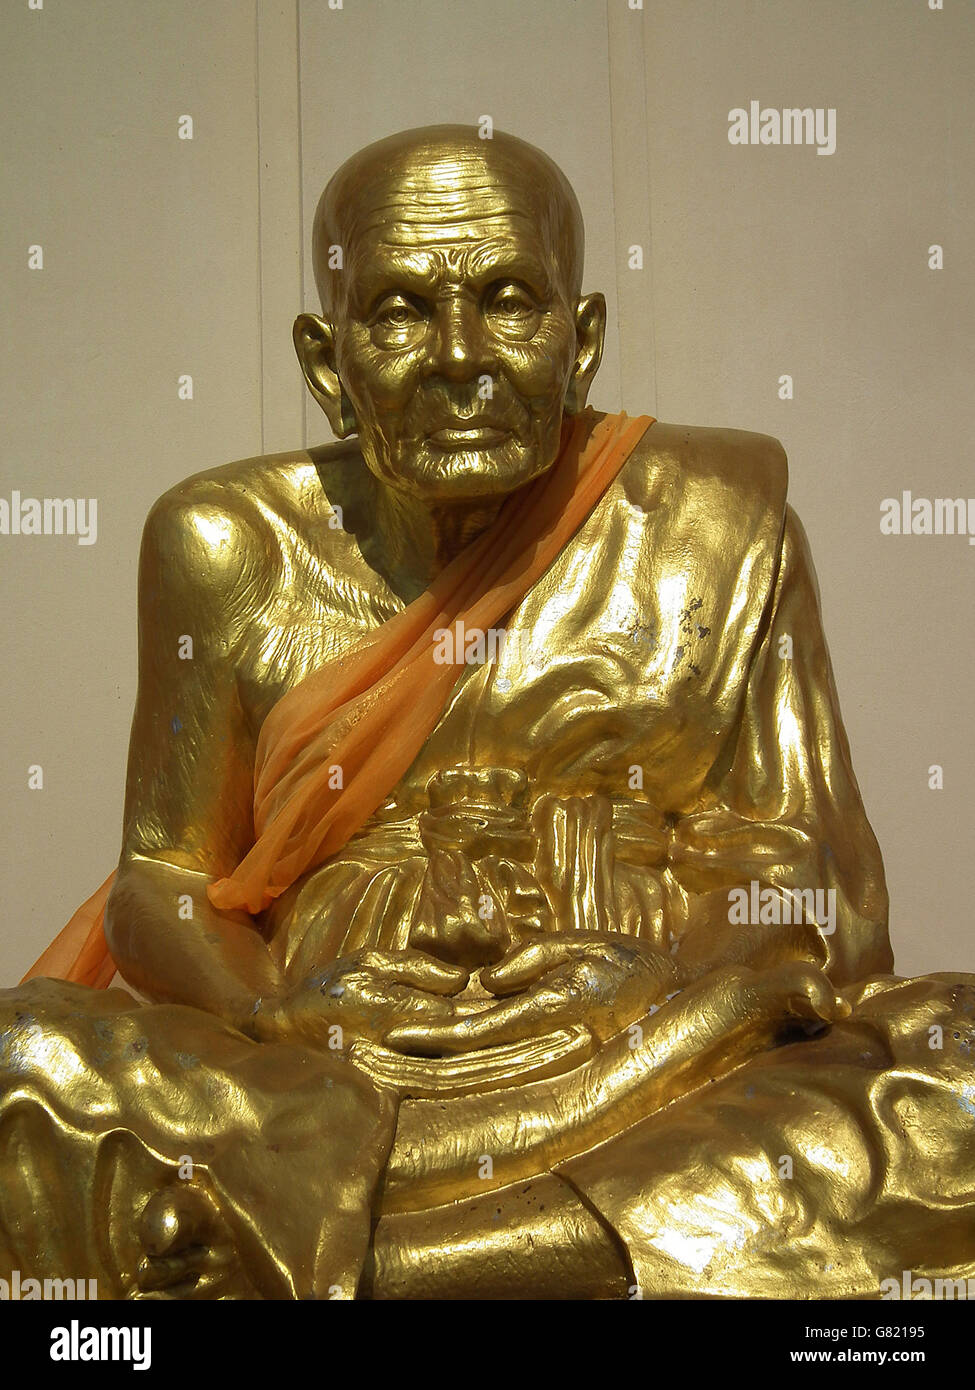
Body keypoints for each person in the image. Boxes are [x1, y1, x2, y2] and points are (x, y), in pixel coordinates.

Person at [4, 125, 973, 1300]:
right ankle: (551, 1249)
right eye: (402, 311)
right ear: (326, 357)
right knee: (23, 1057)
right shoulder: (227, 542)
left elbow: (814, 876)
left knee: (957, 1063)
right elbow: (160, 877)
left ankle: (394, 1266)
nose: (460, 357)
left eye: (510, 301)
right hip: (337, 1077)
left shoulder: (718, 518)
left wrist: (647, 994)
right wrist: (281, 1011)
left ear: (585, 336)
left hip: (655, 1062)